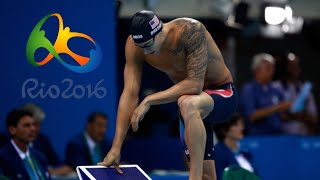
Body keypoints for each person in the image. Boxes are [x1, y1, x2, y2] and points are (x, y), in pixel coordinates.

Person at [98, 10, 238, 180]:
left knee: (187, 102)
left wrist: (149, 99)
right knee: (207, 176)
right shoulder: (136, 46)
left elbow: (195, 85)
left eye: (148, 44)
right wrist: (116, 147)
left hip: (222, 94)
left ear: (159, 31)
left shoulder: (190, 31)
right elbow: (129, 94)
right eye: (141, 46)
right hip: (192, 111)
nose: (146, 52)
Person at [239, 53, 291, 135]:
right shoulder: (249, 90)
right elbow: (251, 116)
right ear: (256, 70)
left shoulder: (277, 89)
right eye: (268, 68)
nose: (272, 71)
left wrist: (293, 109)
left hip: (278, 136)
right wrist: (277, 107)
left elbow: (284, 116)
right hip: (258, 138)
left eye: (273, 68)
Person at [20, 103, 74, 176]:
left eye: (39, 124)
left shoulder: (42, 140)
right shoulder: (5, 143)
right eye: (29, 125)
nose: (36, 129)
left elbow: (58, 164)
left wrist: (53, 170)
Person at [272, 53, 318, 135]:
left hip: (303, 137)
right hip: (281, 137)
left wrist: (303, 115)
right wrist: (295, 115)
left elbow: (314, 119)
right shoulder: (275, 87)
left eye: (296, 66)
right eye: (290, 66)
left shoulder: (305, 89)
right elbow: (280, 116)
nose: (293, 69)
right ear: (285, 67)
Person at [0, 109, 51, 179]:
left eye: (34, 125)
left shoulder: (40, 157)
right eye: (27, 125)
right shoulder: (3, 158)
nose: (33, 129)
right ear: (12, 130)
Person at [213, 113, 258, 180]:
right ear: (224, 130)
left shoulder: (246, 153)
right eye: (236, 125)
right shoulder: (217, 153)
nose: (242, 128)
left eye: (241, 124)